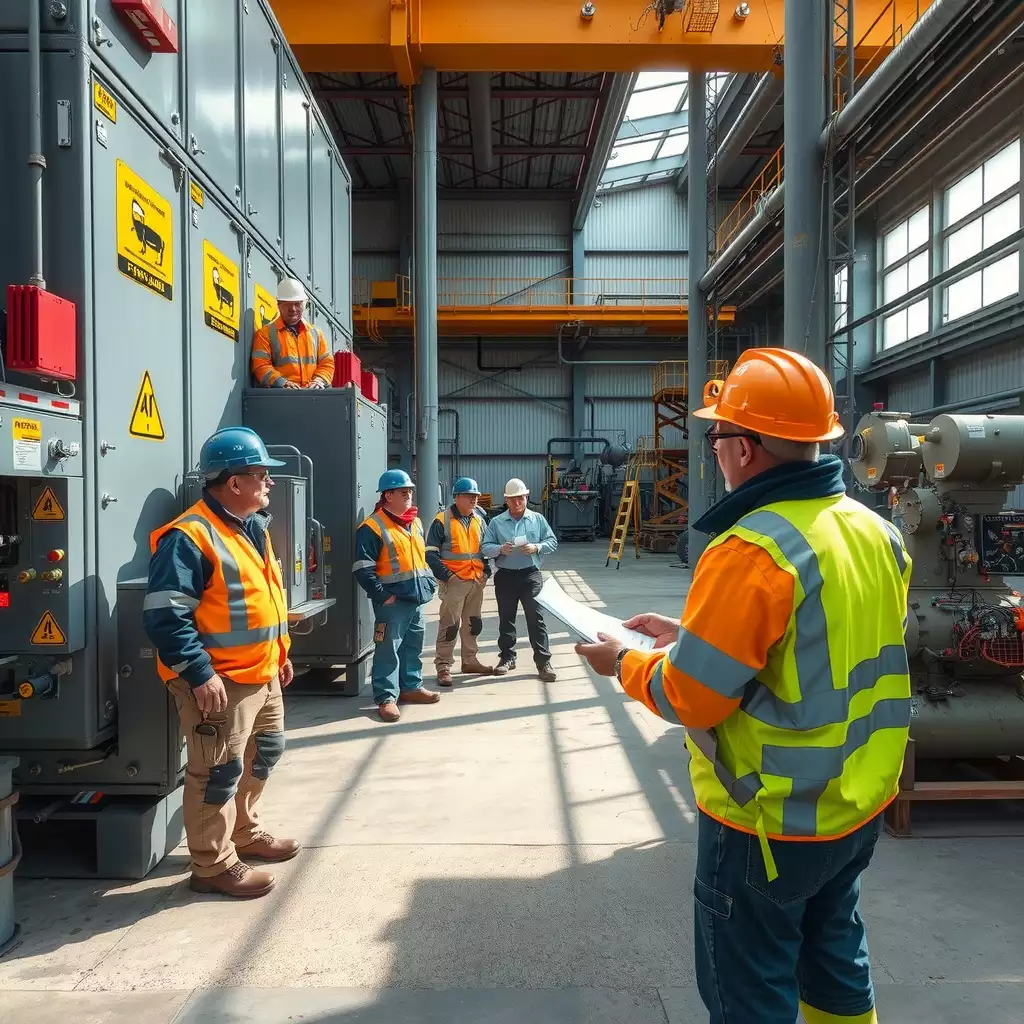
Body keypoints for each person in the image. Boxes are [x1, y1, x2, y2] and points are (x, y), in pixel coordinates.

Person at [575, 348, 912, 1024]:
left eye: (719, 435)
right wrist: (694, 635)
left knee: (751, 993)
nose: (715, 448)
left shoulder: (751, 549)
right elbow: (820, 641)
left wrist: (624, 663)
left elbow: (693, 699)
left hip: (768, 820)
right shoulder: (875, 533)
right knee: (835, 961)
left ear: (747, 450)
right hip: (856, 804)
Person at [144, 427, 299, 899]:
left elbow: (263, 598)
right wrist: (198, 672)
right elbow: (164, 614)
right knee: (216, 773)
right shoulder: (189, 537)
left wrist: (281, 654)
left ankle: (245, 833)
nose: (269, 482)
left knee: (265, 753)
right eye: (261, 474)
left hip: (263, 672)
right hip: (220, 681)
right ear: (234, 483)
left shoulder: (251, 527)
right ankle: (212, 865)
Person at [353, 469, 439, 722]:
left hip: (416, 598)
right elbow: (362, 568)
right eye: (404, 492)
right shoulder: (372, 526)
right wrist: (381, 596)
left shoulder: (416, 522)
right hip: (392, 603)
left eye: (410, 491)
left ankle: (410, 687)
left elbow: (420, 560)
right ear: (388, 495)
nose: (409, 496)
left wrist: (429, 584)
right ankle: (386, 697)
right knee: (387, 650)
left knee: (412, 646)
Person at [480, 478, 559, 682]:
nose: (517, 503)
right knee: (506, 618)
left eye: (521, 499)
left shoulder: (538, 519)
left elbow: (552, 541)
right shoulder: (496, 523)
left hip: (530, 574)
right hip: (505, 576)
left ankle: (543, 662)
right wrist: (499, 549)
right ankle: (507, 657)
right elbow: (484, 546)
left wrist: (537, 547)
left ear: (526, 497)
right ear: (506, 500)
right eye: (513, 499)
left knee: (536, 617)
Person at [425, 477, 494, 686]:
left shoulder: (479, 520)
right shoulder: (442, 520)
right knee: (450, 625)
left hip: (476, 580)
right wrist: (448, 577)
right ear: (457, 497)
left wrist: (486, 572)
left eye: (475, 496)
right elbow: (430, 554)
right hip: (454, 582)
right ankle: (444, 666)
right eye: (469, 496)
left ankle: (470, 661)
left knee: (473, 624)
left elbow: (484, 550)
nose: (474, 500)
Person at [250, 277, 334, 389]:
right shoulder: (265, 334)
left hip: (313, 398)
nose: (293, 309)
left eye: (297, 304)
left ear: (303, 305)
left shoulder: (316, 334)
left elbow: (327, 364)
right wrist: (283, 383)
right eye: (287, 304)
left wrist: (319, 380)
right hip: (282, 399)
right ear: (279, 305)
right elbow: (261, 366)